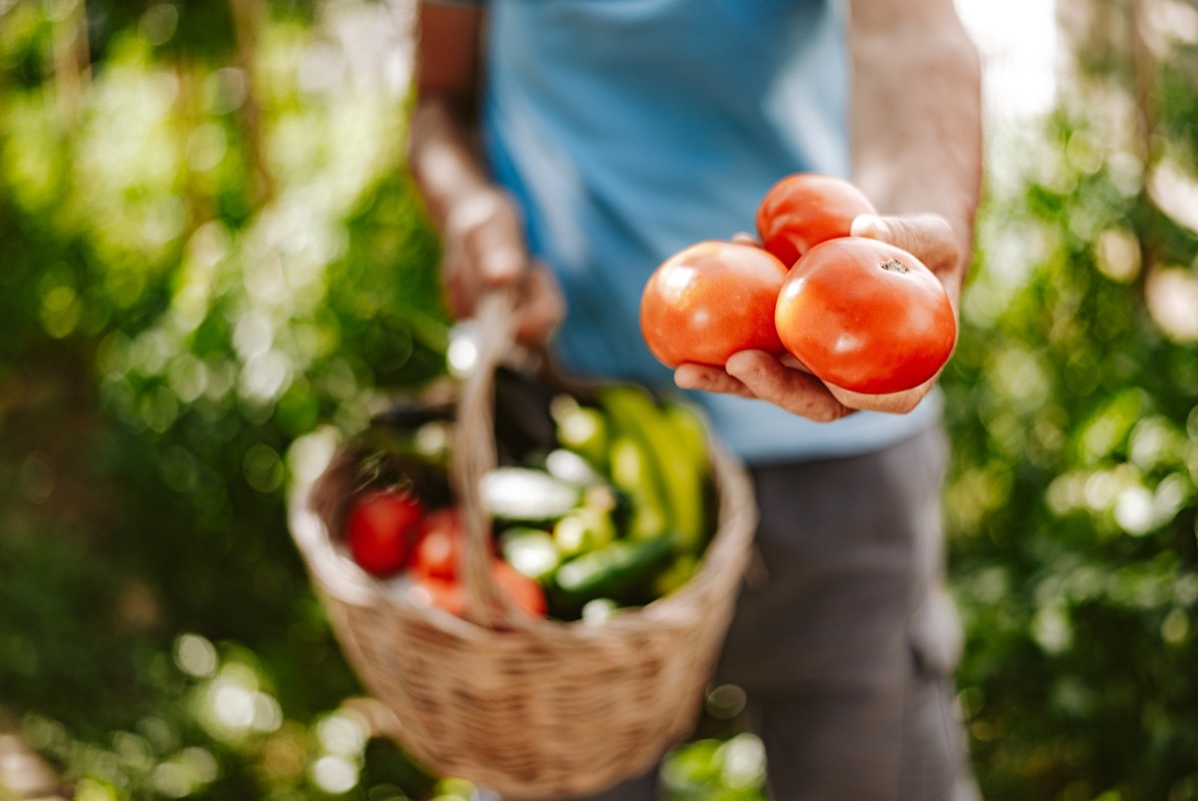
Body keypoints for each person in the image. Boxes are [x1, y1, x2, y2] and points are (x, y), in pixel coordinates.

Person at [407, 0, 984, 798]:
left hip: (834, 476)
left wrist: (913, 274)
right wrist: (470, 211)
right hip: (578, 451)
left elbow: (908, 30)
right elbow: (440, 103)